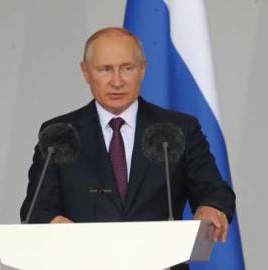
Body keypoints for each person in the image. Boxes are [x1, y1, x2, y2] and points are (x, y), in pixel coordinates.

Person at [20, 28, 236, 267]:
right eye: (105, 69)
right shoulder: (59, 134)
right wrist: (52, 223)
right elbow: (36, 209)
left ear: (142, 69)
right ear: (85, 72)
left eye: (127, 68)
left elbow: (215, 190)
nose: (117, 81)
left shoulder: (179, 129)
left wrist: (211, 208)